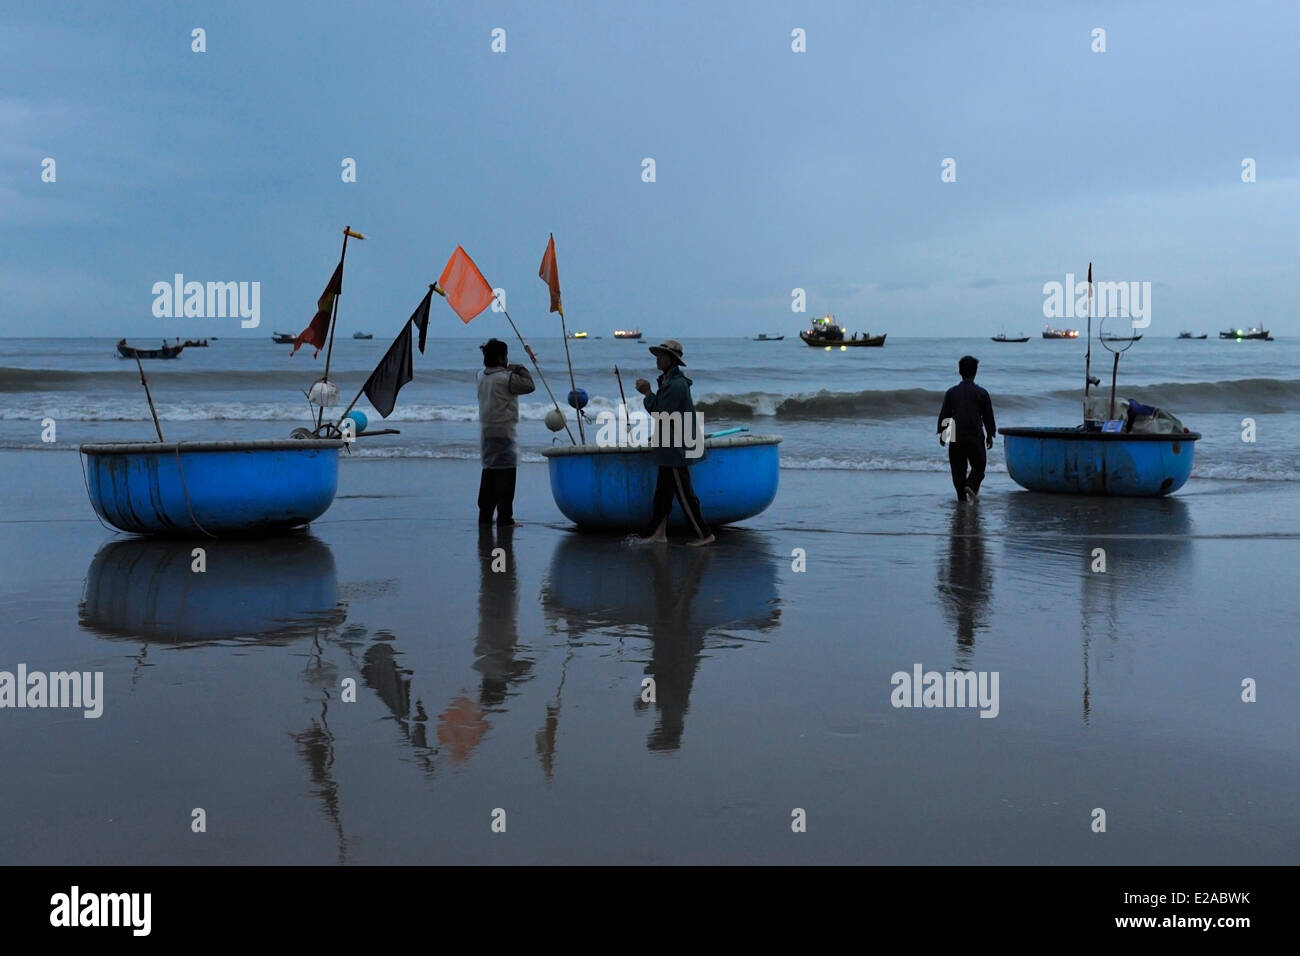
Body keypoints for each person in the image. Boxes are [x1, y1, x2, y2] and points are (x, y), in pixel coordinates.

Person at [633, 339, 714, 546]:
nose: (658, 359)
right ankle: (658, 534)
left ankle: (704, 535)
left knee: (685, 495)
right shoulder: (669, 381)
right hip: (669, 447)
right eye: (658, 355)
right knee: (663, 495)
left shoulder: (676, 385)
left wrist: (647, 394)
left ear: (672, 360)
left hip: (677, 448)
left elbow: (661, 413)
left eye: (661, 355)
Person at [476, 338, 535, 525]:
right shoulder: (506, 378)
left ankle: (485, 515)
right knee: (506, 478)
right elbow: (529, 385)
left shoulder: (480, 376)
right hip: (505, 434)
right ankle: (505, 518)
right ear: (502, 357)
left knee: (489, 474)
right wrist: (520, 367)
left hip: (486, 433)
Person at [937, 355, 996, 502]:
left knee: (958, 470)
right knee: (979, 466)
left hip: (956, 435)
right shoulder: (982, 393)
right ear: (976, 372)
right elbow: (988, 416)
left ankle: (961, 499)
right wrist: (990, 434)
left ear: (959, 372)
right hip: (975, 434)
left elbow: (946, 414)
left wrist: (943, 435)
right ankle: (971, 485)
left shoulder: (951, 392)